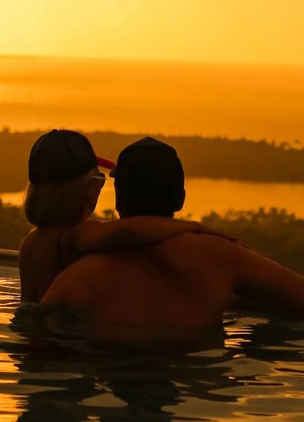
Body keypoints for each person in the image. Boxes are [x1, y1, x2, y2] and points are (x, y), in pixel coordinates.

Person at [40, 137, 304, 337]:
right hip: (191, 385)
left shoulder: (79, 275)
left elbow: (41, 346)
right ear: (180, 198)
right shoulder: (219, 257)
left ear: (119, 200)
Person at [18, 129, 212, 303]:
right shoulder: (73, 236)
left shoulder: (30, 240)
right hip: (61, 341)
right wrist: (194, 227)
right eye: (100, 180)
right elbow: (132, 230)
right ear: (88, 188)